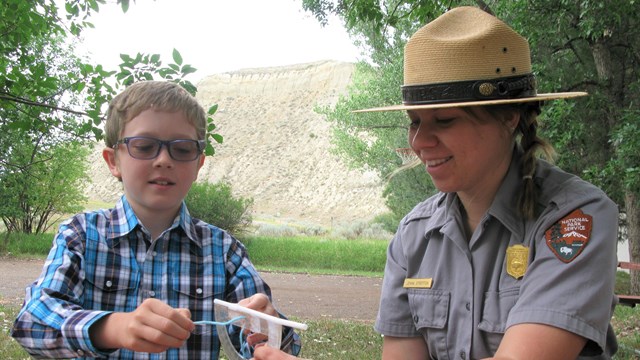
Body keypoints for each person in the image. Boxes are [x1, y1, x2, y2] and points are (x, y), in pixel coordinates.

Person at [357, 6, 618, 360]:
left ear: (509, 116)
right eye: (414, 120)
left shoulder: (573, 219)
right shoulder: (413, 237)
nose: (419, 142)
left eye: (445, 120)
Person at [11, 80, 301, 359]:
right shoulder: (81, 235)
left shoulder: (224, 251)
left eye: (182, 148)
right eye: (145, 146)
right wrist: (113, 327)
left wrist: (267, 330)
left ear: (198, 164)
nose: (164, 159)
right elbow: (32, 323)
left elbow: (278, 346)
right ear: (114, 161)